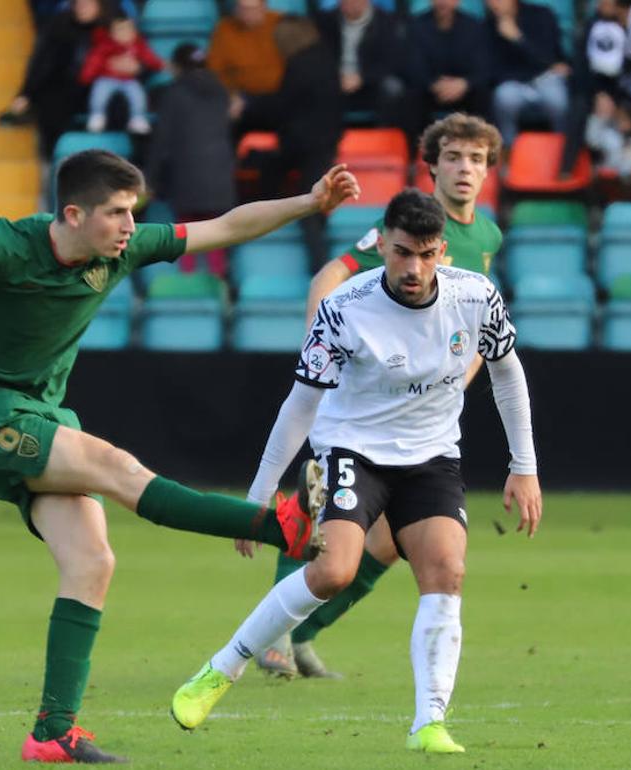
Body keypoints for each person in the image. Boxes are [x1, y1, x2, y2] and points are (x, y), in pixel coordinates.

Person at [0, 150, 360, 764]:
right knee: (119, 470)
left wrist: (310, 202)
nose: (131, 225)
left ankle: (52, 731)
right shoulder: (8, 244)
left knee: (93, 560)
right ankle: (277, 526)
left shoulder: (118, 248)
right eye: (116, 213)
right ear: (73, 214)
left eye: (133, 212)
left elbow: (226, 226)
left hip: (40, 416)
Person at [169, 189, 542, 754]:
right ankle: (221, 668)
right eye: (399, 253)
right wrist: (261, 490)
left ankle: (429, 723)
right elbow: (300, 404)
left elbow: (507, 374)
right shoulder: (345, 307)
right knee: (333, 572)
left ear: (442, 251)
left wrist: (524, 466)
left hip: (432, 455)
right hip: (352, 449)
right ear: (381, 246)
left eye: (424, 253)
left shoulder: (475, 296)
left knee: (447, 570)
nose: (412, 267)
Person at [254, 113, 505, 679]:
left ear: (489, 170)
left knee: (390, 543)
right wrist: (317, 344)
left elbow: (474, 331)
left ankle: (302, 633)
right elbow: (334, 272)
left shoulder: (486, 236)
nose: (465, 169)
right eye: (455, 157)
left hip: (420, 418)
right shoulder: (407, 228)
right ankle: (272, 637)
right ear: (433, 164)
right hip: (364, 399)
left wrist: (457, 382)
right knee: (322, 511)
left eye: (476, 159)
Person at [237, 16, 344, 265]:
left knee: (307, 208)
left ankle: (319, 267)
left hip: (303, 146)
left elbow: (282, 107)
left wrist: (248, 105)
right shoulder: (325, 60)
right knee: (311, 207)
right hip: (323, 144)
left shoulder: (298, 65)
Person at [145, 44, 237, 275]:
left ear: (177, 66)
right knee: (218, 233)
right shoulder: (222, 91)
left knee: (186, 234)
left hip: (187, 175)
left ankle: (189, 285)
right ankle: (217, 285)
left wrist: (150, 180)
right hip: (220, 176)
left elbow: (162, 141)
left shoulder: (173, 93)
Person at [560, 0, 631, 173]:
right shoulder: (594, 25)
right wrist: (600, 93)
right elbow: (581, 68)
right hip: (609, 90)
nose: (597, 4)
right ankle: (569, 168)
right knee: (579, 101)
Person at [0, 0, 112, 159]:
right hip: (64, 90)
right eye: (79, 4)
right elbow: (43, 64)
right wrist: (26, 93)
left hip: (101, 87)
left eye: (88, 4)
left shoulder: (111, 27)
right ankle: (53, 161)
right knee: (52, 105)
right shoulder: (60, 27)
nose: (83, 8)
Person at [401, 0, 492, 145]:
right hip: (430, 88)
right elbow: (412, 65)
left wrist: (464, 83)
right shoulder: (417, 25)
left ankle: (477, 147)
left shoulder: (474, 26)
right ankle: (416, 153)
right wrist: (433, 84)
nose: (443, 2)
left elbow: (484, 67)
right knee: (411, 95)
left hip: (464, 89)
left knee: (482, 93)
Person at [485, 0, 570, 147]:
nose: (494, 3)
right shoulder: (487, 26)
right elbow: (492, 70)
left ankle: (564, 153)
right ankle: (508, 153)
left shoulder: (541, 15)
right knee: (504, 97)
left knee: (557, 100)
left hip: (545, 78)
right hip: (513, 83)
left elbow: (548, 59)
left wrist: (517, 38)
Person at [315, 0, 405, 126]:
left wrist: (362, 78)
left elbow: (391, 62)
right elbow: (318, 57)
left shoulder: (387, 22)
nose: (350, 3)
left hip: (370, 81)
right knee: (312, 86)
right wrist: (335, 77)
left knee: (392, 88)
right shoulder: (324, 21)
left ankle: (386, 139)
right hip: (335, 80)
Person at [79, 13, 164, 134]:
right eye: (119, 30)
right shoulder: (105, 46)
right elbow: (94, 60)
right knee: (99, 93)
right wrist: (86, 76)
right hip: (107, 78)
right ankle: (97, 115)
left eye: (127, 30)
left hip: (128, 80)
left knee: (137, 95)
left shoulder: (138, 45)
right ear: (112, 34)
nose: (124, 34)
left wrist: (160, 65)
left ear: (134, 32)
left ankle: (137, 118)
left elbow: (149, 57)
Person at [208, 0, 284, 99]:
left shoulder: (280, 22)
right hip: (243, 95)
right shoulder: (224, 28)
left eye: (253, 9)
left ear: (264, 7)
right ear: (236, 9)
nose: (248, 14)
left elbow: (299, 60)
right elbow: (216, 69)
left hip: (283, 92)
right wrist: (231, 95)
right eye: (242, 8)